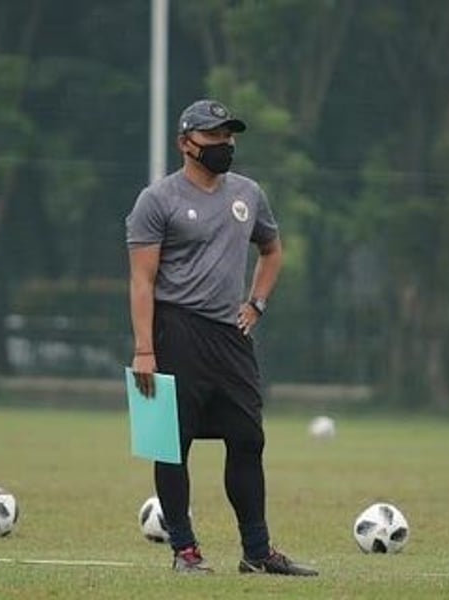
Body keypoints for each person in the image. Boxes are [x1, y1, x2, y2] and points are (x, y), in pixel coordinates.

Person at [125, 99, 318, 577]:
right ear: (185, 143)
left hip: (230, 336)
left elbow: (271, 250)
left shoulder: (249, 193)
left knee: (248, 439)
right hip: (176, 331)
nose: (224, 144)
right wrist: (145, 349)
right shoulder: (157, 200)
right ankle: (185, 552)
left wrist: (256, 303)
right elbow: (142, 280)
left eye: (228, 135)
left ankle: (257, 553)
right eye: (213, 136)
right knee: (172, 445)